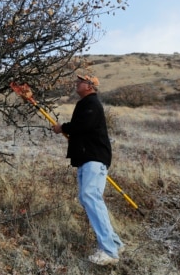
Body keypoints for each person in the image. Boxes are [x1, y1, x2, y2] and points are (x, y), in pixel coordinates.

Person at [52, 74, 124, 266]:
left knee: (90, 196)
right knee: (87, 198)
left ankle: (109, 251)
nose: (77, 83)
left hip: (94, 158)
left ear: (90, 86)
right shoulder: (85, 103)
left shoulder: (91, 103)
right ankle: (115, 242)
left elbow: (83, 125)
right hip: (86, 158)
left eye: (81, 81)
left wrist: (63, 128)